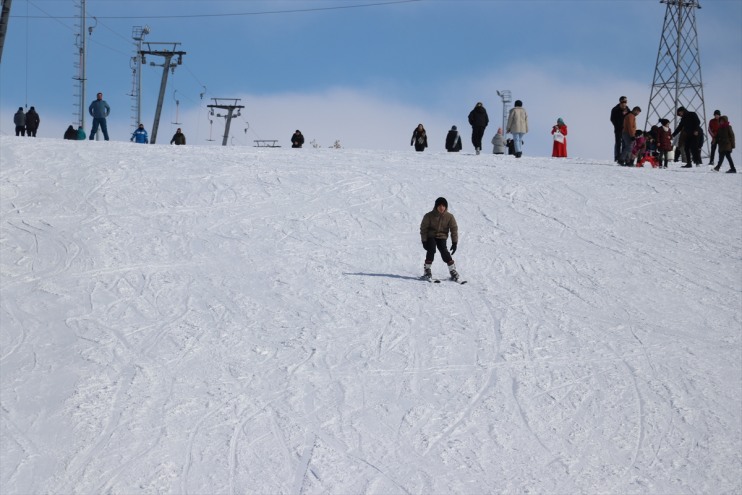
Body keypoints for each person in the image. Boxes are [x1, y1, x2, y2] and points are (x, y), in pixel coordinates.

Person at [420, 197, 461, 282]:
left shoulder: (449, 217)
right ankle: (427, 271)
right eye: (439, 206)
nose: (441, 207)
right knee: (431, 249)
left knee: (444, 251)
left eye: (443, 206)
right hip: (431, 236)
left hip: (442, 237)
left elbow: (454, 229)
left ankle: (452, 270)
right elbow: (423, 229)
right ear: (436, 206)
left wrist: (454, 243)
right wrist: (424, 241)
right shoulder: (429, 216)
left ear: (446, 207)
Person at [610, 96, 629, 162]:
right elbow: (612, 119)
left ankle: (623, 158)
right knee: (618, 143)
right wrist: (617, 126)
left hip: (626, 130)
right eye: (623, 101)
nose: (624, 103)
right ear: (620, 102)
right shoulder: (615, 109)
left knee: (625, 143)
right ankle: (617, 157)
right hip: (618, 129)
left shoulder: (627, 109)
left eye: (625, 102)